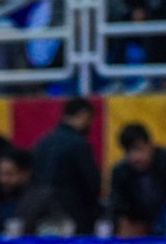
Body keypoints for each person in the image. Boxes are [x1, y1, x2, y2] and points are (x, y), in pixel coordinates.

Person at [30, 98, 101, 235]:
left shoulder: (42, 142)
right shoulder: (79, 144)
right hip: (75, 214)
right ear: (83, 114)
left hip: (40, 213)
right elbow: (92, 183)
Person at [109, 122, 166, 237]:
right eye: (128, 152)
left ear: (151, 145)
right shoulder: (120, 172)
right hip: (138, 229)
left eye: (139, 149)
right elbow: (116, 207)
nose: (135, 157)